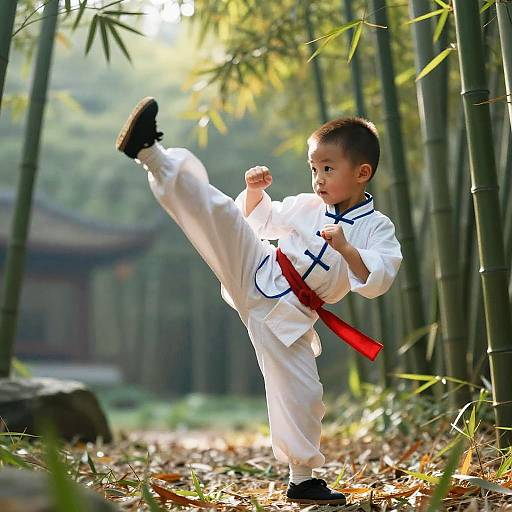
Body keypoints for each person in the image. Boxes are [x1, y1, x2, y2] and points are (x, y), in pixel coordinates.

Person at [116, 97, 403, 505]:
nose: (317, 179)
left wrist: (346, 250)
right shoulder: (307, 206)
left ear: (362, 172)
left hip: (290, 317)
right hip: (258, 269)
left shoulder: (377, 228)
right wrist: (254, 194)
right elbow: (262, 221)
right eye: (313, 169)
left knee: (304, 395)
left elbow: (379, 277)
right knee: (222, 215)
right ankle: (151, 153)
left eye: (327, 168)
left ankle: (301, 479)